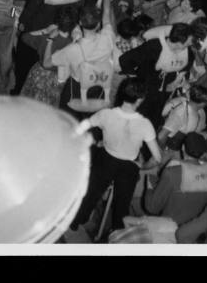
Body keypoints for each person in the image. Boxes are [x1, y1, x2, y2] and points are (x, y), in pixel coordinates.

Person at [68, 78, 162, 233]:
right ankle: (117, 236)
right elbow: (157, 158)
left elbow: (82, 127)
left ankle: (76, 222)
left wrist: (93, 142)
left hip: (105, 159)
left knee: (91, 194)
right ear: (139, 100)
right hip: (128, 167)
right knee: (122, 206)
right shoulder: (145, 124)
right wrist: (143, 166)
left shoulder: (106, 114)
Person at [44, 0, 117, 114]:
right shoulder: (107, 37)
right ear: (97, 24)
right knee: (88, 118)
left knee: (69, 119)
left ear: (80, 23)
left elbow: (47, 64)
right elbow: (107, 15)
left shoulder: (73, 49)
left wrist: (49, 40)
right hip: (98, 85)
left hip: (77, 88)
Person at [119, 22, 194, 131]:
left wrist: (178, 81)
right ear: (178, 42)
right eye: (187, 44)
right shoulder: (154, 47)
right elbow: (125, 60)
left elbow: (186, 68)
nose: (189, 46)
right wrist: (134, 81)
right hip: (143, 91)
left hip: (162, 94)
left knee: (151, 123)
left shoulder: (187, 53)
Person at [144, 132, 207, 226]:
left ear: (183, 148)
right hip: (195, 226)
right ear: (203, 153)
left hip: (170, 225)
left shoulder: (172, 172)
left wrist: (148, 187)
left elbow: (152, 207)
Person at [20, 5, 80, 107]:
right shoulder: (73, 44)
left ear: (57, 21)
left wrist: (45, 31)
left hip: (39, 75)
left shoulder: (45, 38)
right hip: (58, 79)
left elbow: (24, 37)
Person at [158, 84, 207, 151]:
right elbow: (161, 136)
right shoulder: (181, 113)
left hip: (181, 146)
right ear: (202, 103)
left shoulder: (197, 110)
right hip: (171, 147)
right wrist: (164, 150)